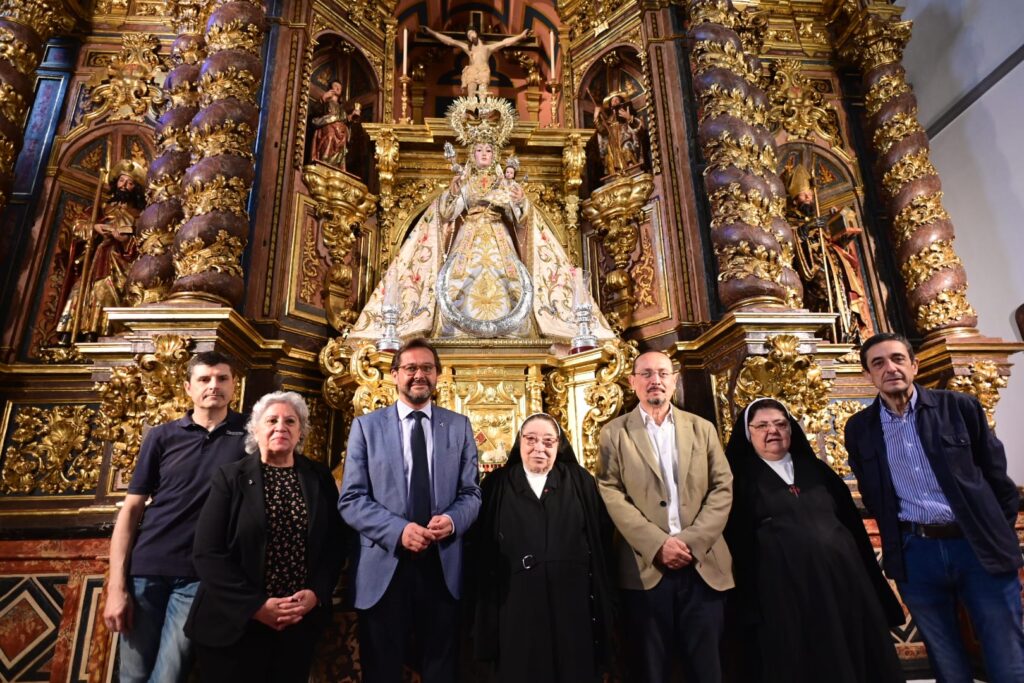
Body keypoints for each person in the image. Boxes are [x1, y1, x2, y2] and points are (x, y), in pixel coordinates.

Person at [347, 96, 616, 347]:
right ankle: (456, 333)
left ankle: (513, 335)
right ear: (472, 154)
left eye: (489, 149)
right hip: (469, 239)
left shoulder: (505, 182)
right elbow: (448, 214)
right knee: (457, 283)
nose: (484, 153)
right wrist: (451, 195)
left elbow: (520, 216)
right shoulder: (465, 181)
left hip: (500, 237)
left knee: (512, 284)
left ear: (495, 154)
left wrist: (520, 201)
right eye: (479, 150)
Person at [846, 332, 1024, 683]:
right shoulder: (860, 428)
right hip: (918, 553)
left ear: (914, 364)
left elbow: (998, 481)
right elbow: (872, 492)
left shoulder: (959, 407)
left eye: (898, 358)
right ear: (868, 375)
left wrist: (994, 535)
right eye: (878, 363)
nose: (890, 368)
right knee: (946, 660)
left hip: (977, 547)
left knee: (1007, 655)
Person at [724, 397, 905, 683]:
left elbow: (852, 526)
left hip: (843, 582)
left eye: (780, 424)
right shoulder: (738, 478)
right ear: (748, 433)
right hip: (781, 590)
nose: (773, 431)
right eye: (762, 426)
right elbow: (736, 541)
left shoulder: (819, 472)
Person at [339, 338, 482, 683]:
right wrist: (398, 531)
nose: (419, 375)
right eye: (411, 368)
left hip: (442, 566)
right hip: (386, 569)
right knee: (382, 670)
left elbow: (472, 493)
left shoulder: (459, 426)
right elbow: (351, 499)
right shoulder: (366, 427)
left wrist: (451, 520)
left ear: (438, 376)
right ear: (394, 375)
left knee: (441, 669)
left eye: (427, 368)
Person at [102, 351, 245, 683]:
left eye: (222, 378)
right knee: (133, 676)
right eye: (205, 379)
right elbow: (132, 510)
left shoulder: (250, 438)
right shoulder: (162, 436)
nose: (214, 386)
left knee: (170, 675)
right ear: (188, 388)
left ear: (233, 386)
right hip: (147, 569)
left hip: (200, 576)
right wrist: (115, 587)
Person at [185, 391, 345, 682]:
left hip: (296, 625)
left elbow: (334, 545)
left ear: (301, 432)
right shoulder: (230, 477)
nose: (280, 427)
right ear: (255, 429)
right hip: (234, 626)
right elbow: (207, 553)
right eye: (272, 420)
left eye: (290, 421)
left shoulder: (319, 477)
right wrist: (255, 606)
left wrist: (317, 593)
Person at [597, 350, 733, 683]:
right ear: (632, 382)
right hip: (646, 568)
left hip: (703, 565)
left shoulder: (702, 429)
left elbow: (722, 488)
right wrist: (658, 544)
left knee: (707, 668)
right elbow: (610, 492)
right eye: (645, 374)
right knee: (650, 669)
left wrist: (690, 542)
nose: (654, 380)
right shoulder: (614, 433)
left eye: (662, 373)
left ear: (674, 380)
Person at [472, 413, 616, 682]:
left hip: (572, 604)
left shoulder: (580, 480)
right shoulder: (497, 484)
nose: (539, 447)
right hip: (515, 604)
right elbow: (482, 548)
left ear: (558, 445)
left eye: (548, 441)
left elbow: (600, 538)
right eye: (531, 439)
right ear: (520, 442)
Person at [55, 159, 146, 344]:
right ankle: (72, 332)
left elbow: (144, 238)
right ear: (115, 183)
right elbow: (78, 224)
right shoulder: (103, 207)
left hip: (120, 258)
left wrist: (127, 240)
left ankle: (102, 331)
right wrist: (94, 227)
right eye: (122, 181)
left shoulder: (140, 213)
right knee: (84, 290)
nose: (125, 186)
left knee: (110, 289)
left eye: (130, 183)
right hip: (98, 255)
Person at [786, 163, 874, 344]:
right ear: (795, 200)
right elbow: (792, 242)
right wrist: (807, 228)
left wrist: (837, 225)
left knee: (843, 296)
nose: (808, 198)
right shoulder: (791, 221)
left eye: (810, 195)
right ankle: (830, 337)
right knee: (825, 297)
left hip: (834, 267)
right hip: (815, 269)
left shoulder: (820, 219)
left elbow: (834, 242)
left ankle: (847, 333)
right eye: (804, 195)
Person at [421, 25, 532, 101]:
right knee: (471, 95)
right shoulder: (468, 48)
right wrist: (431, 32)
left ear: (476, 33)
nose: (470, 36)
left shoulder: (488, 48)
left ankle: (483, 115)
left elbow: (505, 42)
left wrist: (521, 36)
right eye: (468, 35)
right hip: (472, 71)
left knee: (483, 95)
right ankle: (471, 113)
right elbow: (450, 41)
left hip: (484, 71)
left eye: (472, 33)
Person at [311, 80, 360, 168]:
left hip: (341, 131)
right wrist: (323, 98)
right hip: (328, 127)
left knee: (342, 143)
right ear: (331, 88)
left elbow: (345, 119)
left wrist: (353, 115)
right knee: (330, 136)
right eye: (335, 86)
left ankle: (335, 166)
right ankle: (324, 161)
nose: (338, 88)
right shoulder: (326, 102)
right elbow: (315, 111)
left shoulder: (341, 108)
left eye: (340, 87)